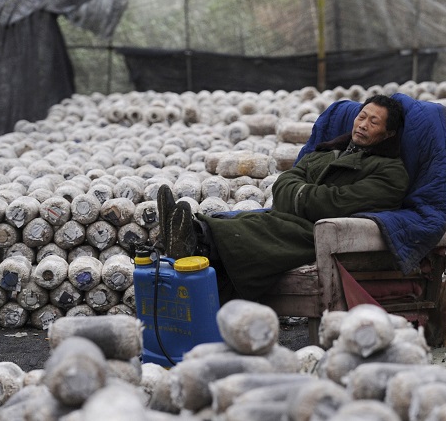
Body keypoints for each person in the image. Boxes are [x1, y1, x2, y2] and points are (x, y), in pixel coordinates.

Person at [157, 94, 408, 302]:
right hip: (293, 219)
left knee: (260, 226)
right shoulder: (327, 151)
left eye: (373, 122)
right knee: (244, 219)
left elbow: (336, 202)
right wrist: (301, 193)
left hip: (324, 234)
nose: (363, 125)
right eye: (361, 117)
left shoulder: (390, 172)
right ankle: (191, 234)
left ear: (388, 134)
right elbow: (284, 182)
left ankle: (194, 238)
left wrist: (299, 193)